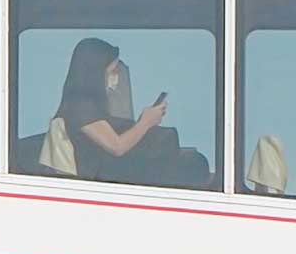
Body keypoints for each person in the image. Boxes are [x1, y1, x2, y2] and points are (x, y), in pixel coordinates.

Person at [55, 37, 210, 188]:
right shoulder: (81, 106)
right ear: (95, 72)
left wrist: (144, 122)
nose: (116, 76)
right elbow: (117, 146)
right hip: (98, 178)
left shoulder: (88, 104)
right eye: (113, 70)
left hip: (106, 171)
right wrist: (145, 123)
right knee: (193, 163)